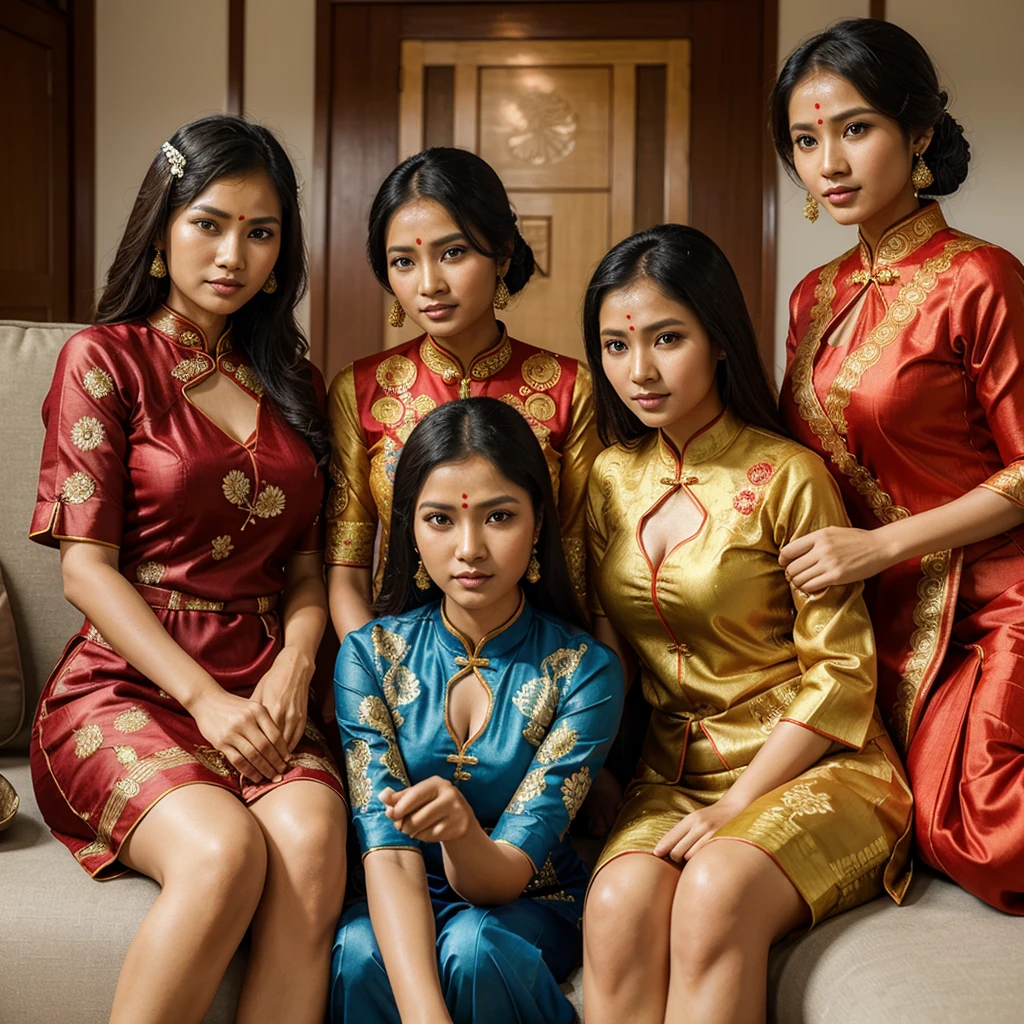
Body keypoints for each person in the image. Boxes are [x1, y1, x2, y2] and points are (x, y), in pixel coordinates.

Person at [28, 115, 346, 1023]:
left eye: (261, 231)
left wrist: (293, 668)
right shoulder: (106, 359)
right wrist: (206, 701)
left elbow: (308, 567)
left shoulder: (291, 377)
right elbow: (86, 571)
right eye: (208, 222)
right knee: (223, 852)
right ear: (164, 229)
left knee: (317, 841)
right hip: (129, 687)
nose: (233, 253)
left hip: (265, 685)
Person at [580, 225, 913, 1024]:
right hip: (676, 772)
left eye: (667, 338)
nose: (642, 370)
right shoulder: (608, 479)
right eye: (616, 345)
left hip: (814, 767)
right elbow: (608, 651)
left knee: (717, 887)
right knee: (620, 899)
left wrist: (742, 804)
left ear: (721, 340)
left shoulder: (788, 477)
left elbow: (842, 675)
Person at [772, 18, 1024, 914]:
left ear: (917, 135)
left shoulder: (983, 279)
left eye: (855, 128)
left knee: (980, 833)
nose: (828, 161)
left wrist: (880, 550)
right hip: (866, 614)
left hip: (993, 601)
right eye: (806, 140)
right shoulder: (814, 297)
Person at [330, 397, 623, 1024]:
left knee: (475, 947)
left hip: (530, 895)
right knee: (357, 953)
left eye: (499, 517)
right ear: (408, 527)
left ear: (539, 522)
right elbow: (385, 847)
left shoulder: (585, 671)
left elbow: (506, 877)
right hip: (403, 889)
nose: (470, 548)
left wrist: (462, 831)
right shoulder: (370, 656)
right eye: (440, 520)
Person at [325, 147, 601, 643]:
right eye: (403, 261)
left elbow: (580, 568)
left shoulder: (568, 388)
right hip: (397, 657)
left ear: (503, 254)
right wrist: (379, 676)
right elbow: (346, 572)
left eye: (452, 253)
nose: (429, 284)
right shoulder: (360, 390)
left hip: (539, 659)